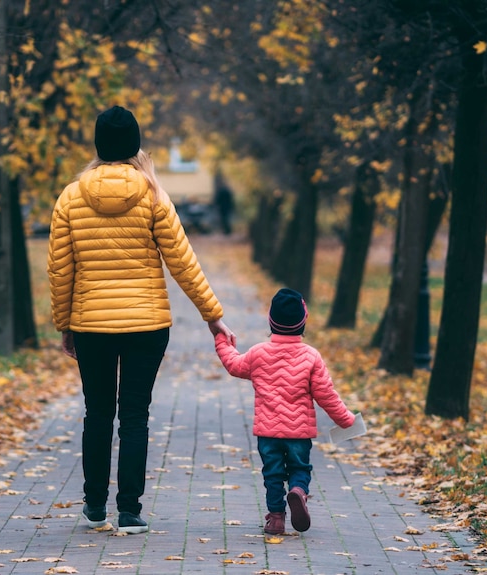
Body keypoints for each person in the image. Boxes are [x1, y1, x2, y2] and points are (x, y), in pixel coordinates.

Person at [47, 105, 235, 535]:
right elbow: (183, 262)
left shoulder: (71, 197)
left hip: (91, 325)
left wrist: (65, 324)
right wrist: (213, 316)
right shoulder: (153, 195)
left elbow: (61, 269)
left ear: (98, 145)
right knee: (134, 416)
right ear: (135, 145)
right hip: (147, 327)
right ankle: (129, 512)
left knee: (97, 414)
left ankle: (94, 508)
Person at [214, 288, 355, 535]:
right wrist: (346, 420)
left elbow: (234, 365)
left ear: (271, 321)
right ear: (303, 322)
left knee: (273, 475)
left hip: (268, 433)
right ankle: (299, 491)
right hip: (299, 433)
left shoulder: (258, 353)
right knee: (300, 469)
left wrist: (220, 338)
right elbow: (327, 395)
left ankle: (276, 519)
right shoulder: (311, 357)